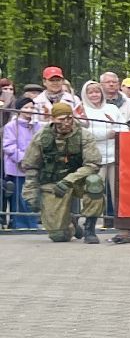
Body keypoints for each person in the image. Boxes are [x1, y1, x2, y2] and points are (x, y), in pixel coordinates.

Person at [21, 102, 104, 243]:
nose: (66, 123)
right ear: (53, 119)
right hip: (52, 183)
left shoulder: (84, 136)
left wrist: (69, 180)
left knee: (95, 182)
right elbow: (31, 166)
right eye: (61, 119)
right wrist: (30, 193)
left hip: (78, 180)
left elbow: (93, 164)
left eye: (69, 118)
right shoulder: (41, 137)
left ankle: (90, 229)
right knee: (58, 236)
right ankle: (72, 226)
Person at [77, 80, 126, 229]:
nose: (94, 95)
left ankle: (119, 222)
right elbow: (84, 133)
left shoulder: (112, 108)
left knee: (118, 190)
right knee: (94, 190)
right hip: (94, 158)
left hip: (114, 156)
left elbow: (124, 127)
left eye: (97, 91)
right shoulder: (81, 110)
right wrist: (107, 134)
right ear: (85, 94)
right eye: (90, 92)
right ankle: (91, 222)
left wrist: (116, 132)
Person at [2, 96, 41, 229]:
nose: (29, 110)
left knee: (32, 196)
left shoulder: (38, 126)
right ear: (19, 109)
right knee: (19, 197)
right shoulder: (11, 126)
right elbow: (9, 146)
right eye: (26, 107)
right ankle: (19, 223)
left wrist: (34, 159)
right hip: (17, 166)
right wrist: (24, 159)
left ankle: (32, 223)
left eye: (32, 107)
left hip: (34, 165)